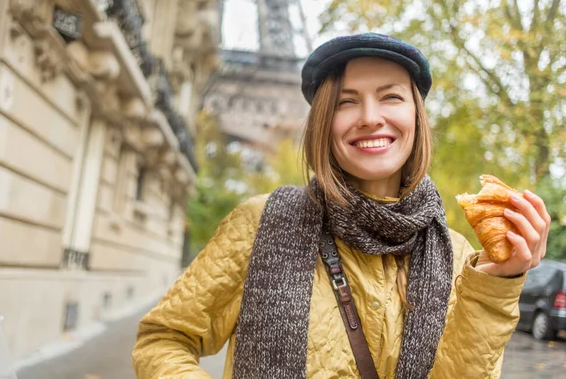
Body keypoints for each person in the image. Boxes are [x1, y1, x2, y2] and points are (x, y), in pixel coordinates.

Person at [132, 33, 550, 379]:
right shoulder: (260, 223)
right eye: (346, 102)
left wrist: (499, 283)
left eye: (390, 97)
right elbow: (164, 340)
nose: (370, 117)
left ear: (416, 117)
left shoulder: (460, 257)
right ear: (322, 123)